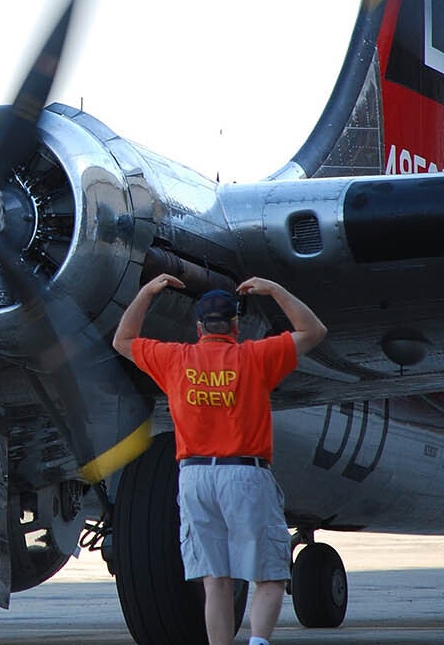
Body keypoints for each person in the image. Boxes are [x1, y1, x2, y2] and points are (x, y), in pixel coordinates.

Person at [111, 274, 327, 645]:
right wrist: (276, 289)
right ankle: (258, 642)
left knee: (215, 580)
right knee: (270, 575)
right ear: (236, 326)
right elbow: (313, 330)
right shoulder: (255, 356)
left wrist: (146, 291)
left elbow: (122, 340)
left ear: (199, 327)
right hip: (244, 474)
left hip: (194, 478)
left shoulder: (175, 359)